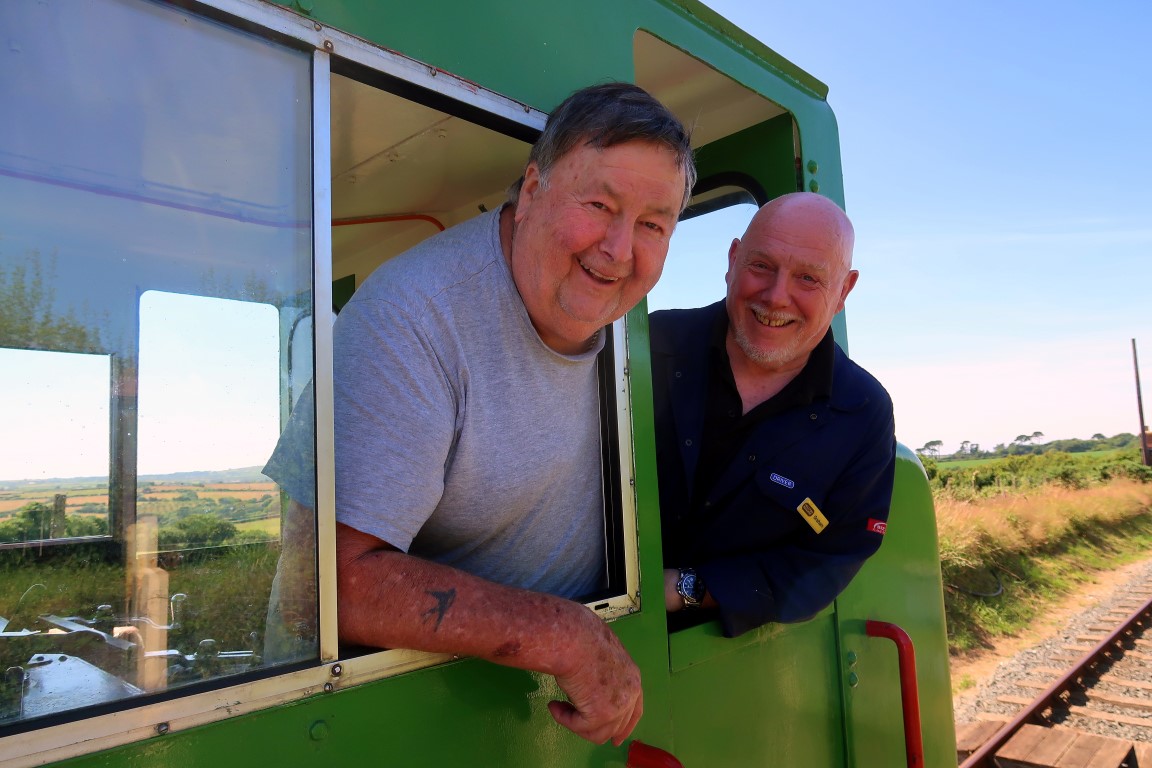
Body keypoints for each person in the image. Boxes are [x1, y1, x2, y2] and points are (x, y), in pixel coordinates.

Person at [263, 82, 695, 746]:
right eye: (599, 205)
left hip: (526, 718)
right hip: (380, 728)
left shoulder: (621, 320)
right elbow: (316, 588)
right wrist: (564, 634)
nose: (618, 248)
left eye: (652, 225)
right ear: (533, 190)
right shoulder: (415, 316)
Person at [649, 192, 895, 639]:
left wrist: (686, 589)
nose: (777, 296)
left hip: (729, 660)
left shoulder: (864, 413)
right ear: (733, 260)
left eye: (808, 278)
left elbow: (826, 562)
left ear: (844, 291)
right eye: (762, 266)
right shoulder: (649, 345)